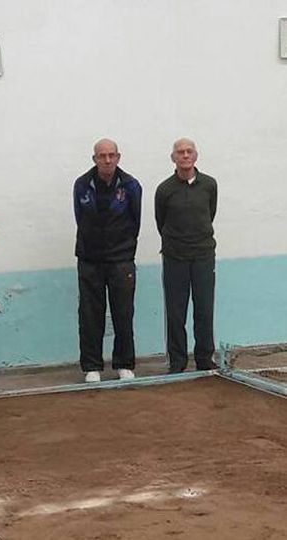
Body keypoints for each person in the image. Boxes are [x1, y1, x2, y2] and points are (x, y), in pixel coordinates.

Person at [73, 138, 142, 383]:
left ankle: (124, 364)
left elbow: (135, 222)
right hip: (90, 261)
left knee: (123, 312)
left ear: (118, 157)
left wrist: (122, 249)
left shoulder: (132, 185)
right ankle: (92, 366)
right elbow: (80, 219)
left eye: (111, 155)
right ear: (95, 159)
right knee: (90, 314)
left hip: (121, 260)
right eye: (102, 156)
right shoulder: (82, 184)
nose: (107, 160)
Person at [155, 138, 217, 374]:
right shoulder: (165, 190)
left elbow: (210, 214)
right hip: (175, 258)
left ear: (195, 156)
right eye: (180, 152)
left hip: (203, 256)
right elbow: (161, 222)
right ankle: (178, 361)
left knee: (204, 309)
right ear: (173, 158)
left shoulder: (209, 185)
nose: (185, 155)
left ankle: (204, 358)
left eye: (189, 151)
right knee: (175, 311)